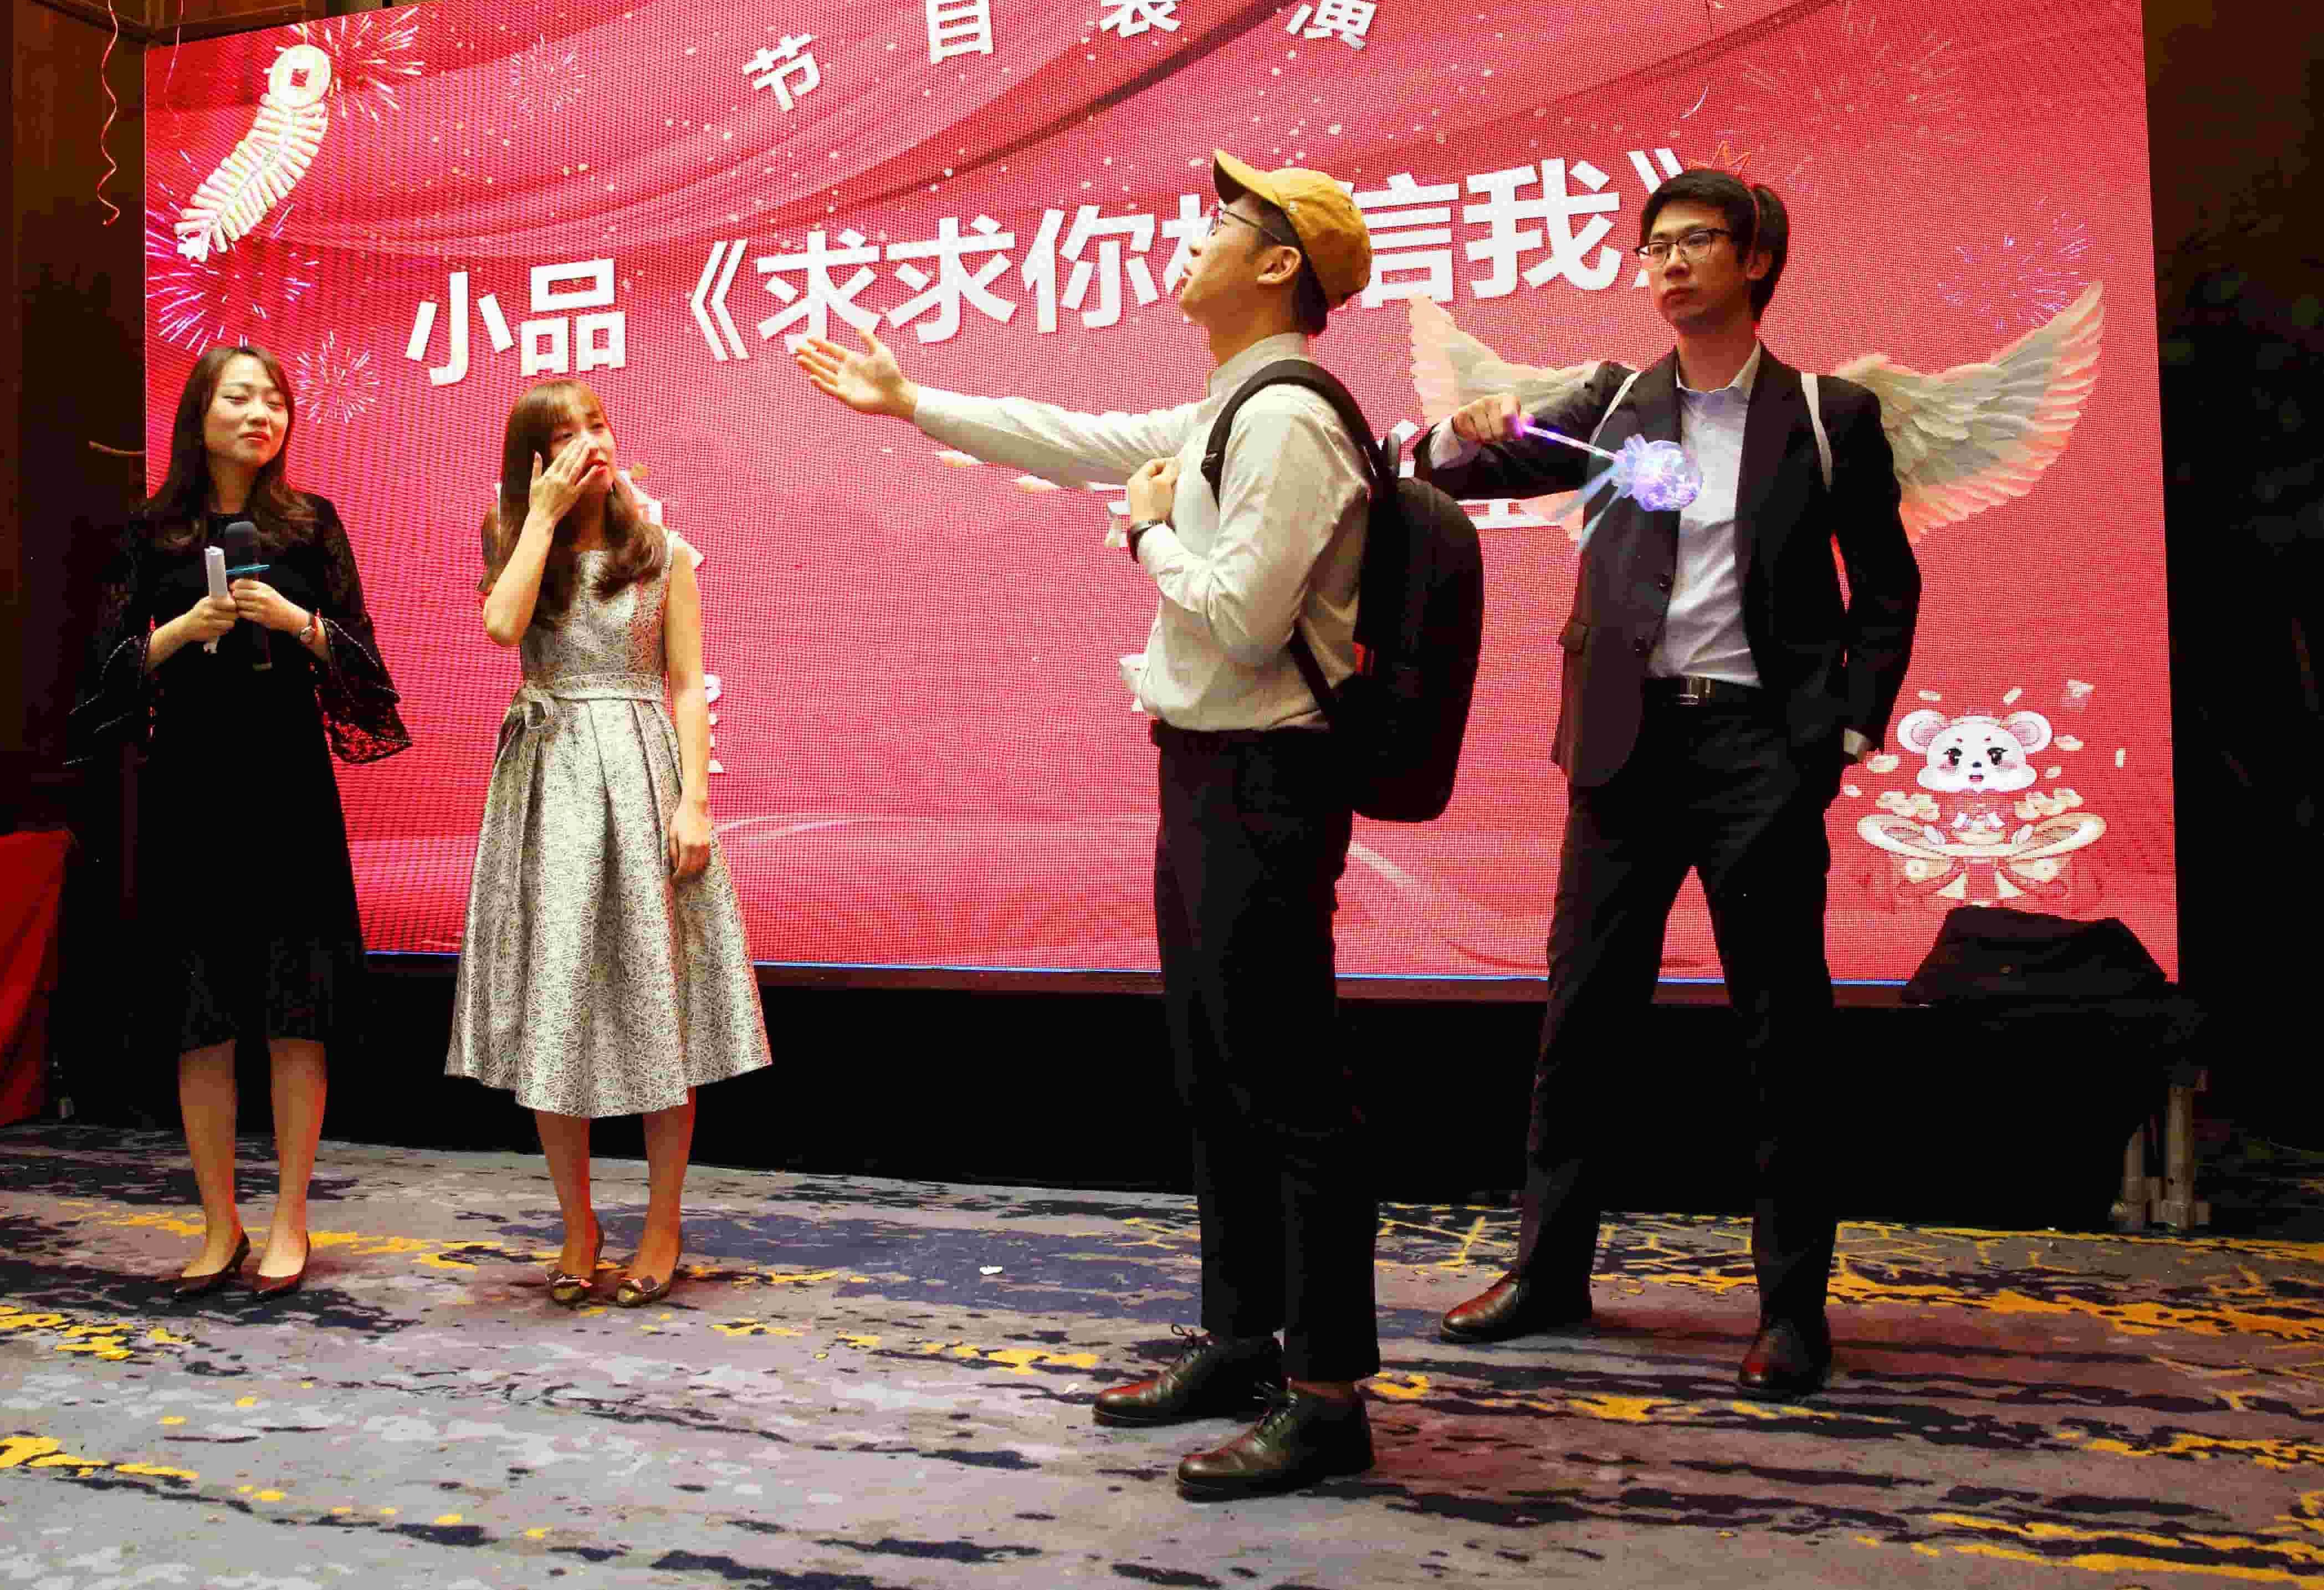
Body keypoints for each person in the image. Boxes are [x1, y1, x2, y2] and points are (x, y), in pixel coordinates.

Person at [794, 152, 1381, 1501]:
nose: (1196, 237)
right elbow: (1074, 435)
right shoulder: (1231, 403)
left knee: (1287, 1089)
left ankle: (1327, 1393)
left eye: (1224, 222)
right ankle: (1240, 1341)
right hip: (1209, 771)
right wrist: (912, 403)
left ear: (1278, 264)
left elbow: (1242, 618)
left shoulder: (1287, 420)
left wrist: (1144, 536)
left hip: (1266, 777)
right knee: (1217, 1072)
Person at [1416, 170, 1921, 1399]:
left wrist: (1845, 730)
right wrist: (1460, 433)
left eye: (1695, 241)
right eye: (1653, 247)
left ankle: (1791, 1310)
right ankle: (1548, 1272)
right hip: (1623, 744)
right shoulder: (1611, 404)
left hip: (1759, 749)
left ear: (1755, 260)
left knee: (1781, 1031)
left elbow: (1885, 583)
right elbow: (1465, 475)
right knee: (1580, 1016)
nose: (1669, 263)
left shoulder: (1827, 414)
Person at [72, 342, 409, 1300]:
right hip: (190, 788)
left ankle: (291, 1216)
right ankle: (220, 1222)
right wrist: (186, 631)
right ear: (200, 413)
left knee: (297, 1009)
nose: (262, 414)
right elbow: (99, 686)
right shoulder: (152, 533)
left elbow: (369, 676)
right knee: (202, 1017)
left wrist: (297, 623)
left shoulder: (310, 524)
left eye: (276, 401)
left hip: (288, 785)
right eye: (241, 397)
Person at [448, 381, 770, 1310]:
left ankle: (662, 1222)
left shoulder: (661, 548)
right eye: (563, 436)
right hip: (548, 781)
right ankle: (577, 1224)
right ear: (532, 460)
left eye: (596, 425)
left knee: (659, 1003)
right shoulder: (514, 536)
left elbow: (685, 683)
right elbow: (501, 625)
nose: (589, 444)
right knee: (556, 1002)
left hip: (638, 773)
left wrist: (695, 802)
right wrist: (541, 518)